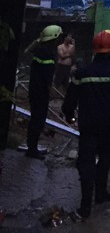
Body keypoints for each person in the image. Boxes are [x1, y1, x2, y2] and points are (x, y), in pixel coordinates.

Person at [62, 31, 110, 220]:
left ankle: (85, 206)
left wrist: (69, 116)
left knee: (86, 163)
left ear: (94, 50)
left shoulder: (83, 72)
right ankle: (100, 193)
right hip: (108, 125)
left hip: (88, 124)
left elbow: (70, 100)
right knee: (105, 159)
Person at [25, 24, 63, 159]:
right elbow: (47, 78)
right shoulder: (47, 54)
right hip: (40, 92)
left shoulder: (40, 50)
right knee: (37, 120)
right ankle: (32, 149)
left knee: (35, 119)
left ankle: (32, 147)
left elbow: (28, 50)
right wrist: (50, 92)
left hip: (35, 90)